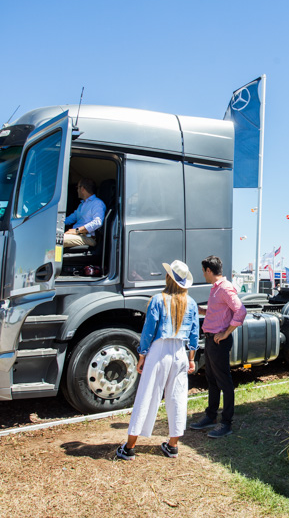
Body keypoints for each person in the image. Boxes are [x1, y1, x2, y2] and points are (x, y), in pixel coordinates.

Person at [116, 260, 199, 460]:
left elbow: (148, 331)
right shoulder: (192, 303)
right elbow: (195, 334)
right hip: (180, 351)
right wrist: (191, 358)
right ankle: (172, 445)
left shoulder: (157, 300)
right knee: (177, 398)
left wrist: (142, 355)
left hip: (159, 350)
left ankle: (130, 446)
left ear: (168, 278)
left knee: (146, 395)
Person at [189, 255, 246, 438]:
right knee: (212, 380)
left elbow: (240, 311)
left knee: (224, 382)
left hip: (219, 341)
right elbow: (220, 312)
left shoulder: (225, 288)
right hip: (212, 339)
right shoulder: (216, 288)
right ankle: (211, 417)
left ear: (208, 270)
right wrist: (202, 311)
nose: (203, 275)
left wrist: (226, 333)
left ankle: (226, 423)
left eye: (203, 271)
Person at [64, 178, 106, 248]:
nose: (77, 190)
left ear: (82, 189)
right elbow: (70, 219)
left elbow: (98, 222)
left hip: (88, 237)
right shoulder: (82, 205)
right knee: (52, 237)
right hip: (76, 235)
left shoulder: (97, 203)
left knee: (57, 240)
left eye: (77, 188)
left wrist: (77, 231)